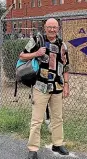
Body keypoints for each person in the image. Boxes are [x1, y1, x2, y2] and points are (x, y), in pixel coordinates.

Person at [19, 18, 70, 159]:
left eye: (54, 27)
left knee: (58, 118)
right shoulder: (37, 40)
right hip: (40, 86)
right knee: (37, 120)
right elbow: (22, 56)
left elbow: (66, 67)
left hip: (57, 86)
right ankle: (33, 149)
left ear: (58, 28)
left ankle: (58, 144)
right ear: (45, 27)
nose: (52, 29)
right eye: (49, 27)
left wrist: (66, 85)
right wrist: (36, 53)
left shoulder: (63, 45)